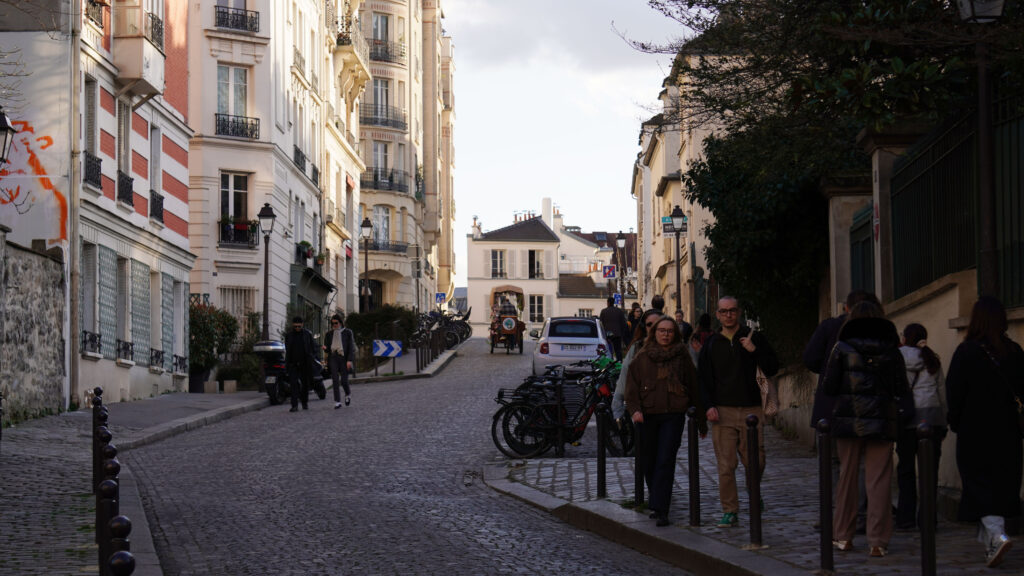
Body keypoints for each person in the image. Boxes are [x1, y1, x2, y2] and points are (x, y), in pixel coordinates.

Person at [822, 300, 909, 558]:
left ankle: (844, 536)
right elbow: (901, 388)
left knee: (847, 477)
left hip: (849, 419)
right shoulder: (892, 349)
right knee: (879, 480)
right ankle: (877, 540)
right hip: (882, 419)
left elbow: (829, 387)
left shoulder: (842, 347)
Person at [946, 296, 1024, 568]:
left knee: (979, 486)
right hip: (1008, 433)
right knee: (1001, 486)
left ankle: (996, 535)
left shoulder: (966, 352)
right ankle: (991, 543)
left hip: (974, 431)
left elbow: (954, 393)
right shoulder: (1014, 351)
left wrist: (954, 422)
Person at [698, 296, 779, 528]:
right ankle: (730, 509)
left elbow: (773, 366)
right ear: (718, 315)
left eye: (732, 311)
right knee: (726, 465)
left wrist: (754, 351)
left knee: (757, 461)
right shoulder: (712, 344)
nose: (728, 315)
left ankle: (753, 491)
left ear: (739, 312)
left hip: (753, 409)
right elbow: (702, 379)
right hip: (722, 411)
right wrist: (708, 406)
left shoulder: (755, 338)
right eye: (724, 312)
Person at [804, 290, 881, 534]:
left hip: (832, 406)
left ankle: (834, 514)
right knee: (859, 466)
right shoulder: (880, 331)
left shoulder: (830, 328)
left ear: (846, 307)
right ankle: (858, 516)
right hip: (867, 408)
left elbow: (810, 359)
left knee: (832, 464)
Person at [624, 315, 701, 527]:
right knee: (649, 461)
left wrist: (701, 420)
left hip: (672, 415)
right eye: (661, 330)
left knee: (665, 460)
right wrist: (635, 410)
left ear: (675, 334)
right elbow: (631, 388)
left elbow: (693, 385)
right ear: (654, 333)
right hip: (647, 415)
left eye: (669, 331)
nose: (665, 334)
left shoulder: (682, 355)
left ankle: (661, 508)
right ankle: (656, 501)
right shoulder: (642, 356)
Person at [895, 323, 946, 531]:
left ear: (905, 338)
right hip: (931, 418)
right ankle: (928, 518)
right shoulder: (931, 358)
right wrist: (944, 420)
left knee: (905, 469)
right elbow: (942, 392)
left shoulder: (897, 357)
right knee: (929, 471)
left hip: (906, 419)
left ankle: (905, 517)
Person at [612, 309, 664, 421]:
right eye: (650, 325)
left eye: (658, 324)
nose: (654, 328)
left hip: (670, 411)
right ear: (644, 327)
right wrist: (618, 405)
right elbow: (625, 376)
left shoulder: (676, 348)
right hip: (644, 409)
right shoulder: (637, 348)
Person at [284, 315, 318, 412]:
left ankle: (304, 402)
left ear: (302, 325)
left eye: (299, 326)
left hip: (305, 363)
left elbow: (313, 346)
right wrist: (288, 362)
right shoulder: (289, 335)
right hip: (293, 364)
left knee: (305, 385)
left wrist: (312, 356)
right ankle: (294, 405)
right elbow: (288, 349)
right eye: (296, 326)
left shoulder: (307, 334)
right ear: (293, 326)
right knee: (293, 385)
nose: (297, 328)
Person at [323, 314, 356, 409]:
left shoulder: (348, 332)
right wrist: (325, 348)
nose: (334, 325)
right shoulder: (329, 334)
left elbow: (351, 347)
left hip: (344, 358)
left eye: (336, 323)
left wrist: (349, 360)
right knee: (335, 380)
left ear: (340, 322)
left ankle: (347, 394)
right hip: (333, 357)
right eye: (332, 323)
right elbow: (328, 349)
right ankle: (337, 401)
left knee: (344, 380)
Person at [599, 296, 630, 361]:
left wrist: (603, 333)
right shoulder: (619, 311)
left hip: (607, 334)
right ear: (613, 302)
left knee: (608, 350)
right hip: (617, 334)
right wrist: (621, 333)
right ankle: (619, 362)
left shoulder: (604, 311)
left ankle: (609, 362)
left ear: (608, 303)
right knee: (618, 350)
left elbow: (601, 323)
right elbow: (624, 323)